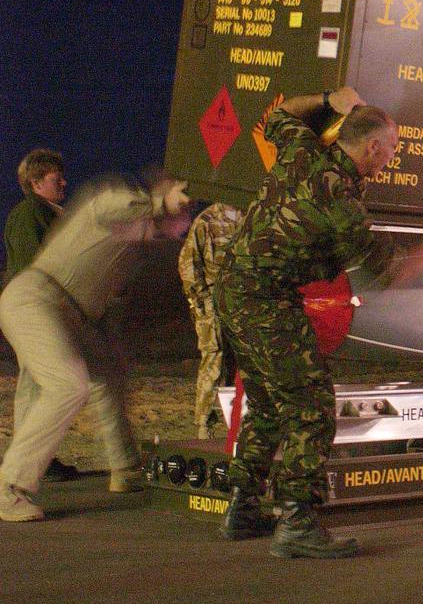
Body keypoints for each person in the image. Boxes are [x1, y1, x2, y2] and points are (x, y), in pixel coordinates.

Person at [215, 87, 423, 558]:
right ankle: (297, 523)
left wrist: (329, 99)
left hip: (234, 290)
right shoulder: (341, 203)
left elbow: (280, 115)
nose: (392, 158)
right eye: (392, 149)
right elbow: (392, 273)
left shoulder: (303, 151)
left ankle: (243, 508)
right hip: (266, 300)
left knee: (268, 403)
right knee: (311, 406)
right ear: (372, 147)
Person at [0, 174, 191, 522]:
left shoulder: (136, 240)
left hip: (72, 314)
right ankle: (9, 487)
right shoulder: (115, 202)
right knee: (67, 386)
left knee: (108, 373)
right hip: (38, 298)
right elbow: (110, 207)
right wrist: (161, 202)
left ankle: (126, 468)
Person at [3, 148, 78, 482]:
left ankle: (34, 460)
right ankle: (28, 465)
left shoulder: (46, 213)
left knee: (35, 384)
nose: (63, 182)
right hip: (34, 309)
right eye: (55, 178)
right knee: (49, 385)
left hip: (38, 308)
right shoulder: (30, 215)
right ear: (35, 183)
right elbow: (33, 266)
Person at [177, 202, 242, 440]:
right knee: (214, 359)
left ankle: (236, 420)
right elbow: (188, 263)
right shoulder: (207, 221)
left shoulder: (246, 216)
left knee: (239, 362)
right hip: (212, 301)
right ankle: (204, 423)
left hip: (239, 301)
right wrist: (201, 300)